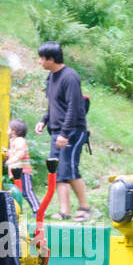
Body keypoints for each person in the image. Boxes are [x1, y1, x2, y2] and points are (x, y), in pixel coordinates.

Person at [33, 41, 92, 222]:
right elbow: (54, 105)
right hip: (57, 131)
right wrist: (44, 121)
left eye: (42, 59)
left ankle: (85, 208)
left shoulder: (70, 77)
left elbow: (74, 108)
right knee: (58, 172)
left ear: (51, 59)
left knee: (70, 169)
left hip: (72, 131)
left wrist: (65, 134)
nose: (40, 62)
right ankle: (64, 211)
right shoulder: (51, 77)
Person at [4, 118, 37, 207]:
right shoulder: (14, 141)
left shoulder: (19, 140)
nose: (6, 131)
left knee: (28, 192)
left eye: (8, 129)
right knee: (21, 192)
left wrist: (11, 160)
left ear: (13, 131)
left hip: (23, 171)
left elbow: (21, 153)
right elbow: (14, 152)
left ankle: (37, 209)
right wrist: (7, 152)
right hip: (18, 172)